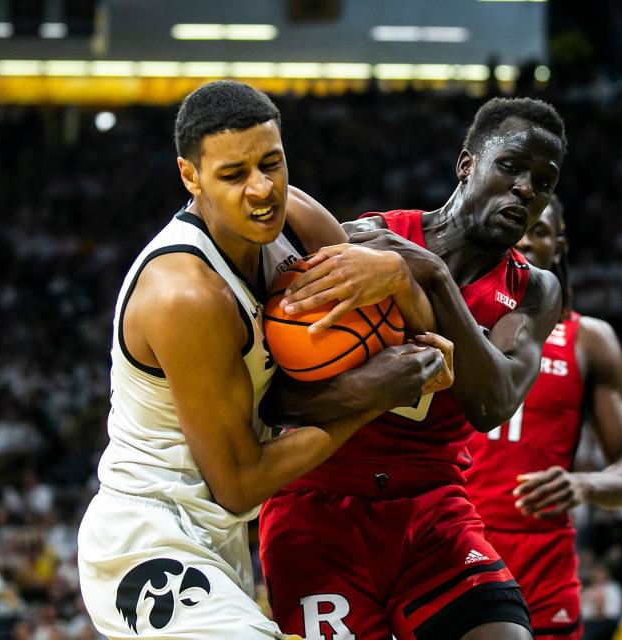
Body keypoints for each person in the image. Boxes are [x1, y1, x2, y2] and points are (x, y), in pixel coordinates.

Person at [76, 80, 453, 640]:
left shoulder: (296, 221)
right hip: (147, 532)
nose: (261, 190)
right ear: (190, 176)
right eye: (232, 175)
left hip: (223, 538)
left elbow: (410, 335)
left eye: (271, 164)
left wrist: (399, 278)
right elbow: (239, 482)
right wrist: (377, 395)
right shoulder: (187, 295)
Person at [258, 97, 566, 640]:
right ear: (467, 165)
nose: (526, 189)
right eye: (511, 167)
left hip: (432, 508)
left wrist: (429, 277)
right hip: (319, 503)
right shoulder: (364, 238)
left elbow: (491, 403)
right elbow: (272, 399)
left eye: (543, 181)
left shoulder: (534, 291)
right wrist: (366, 392)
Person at [464, 196, 622, 639]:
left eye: (540, 230)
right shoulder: (459, 319)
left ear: (558, 245)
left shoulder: (591, 340)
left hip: (542, 559)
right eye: (517, 227)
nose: (525, 239)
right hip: (458, 542)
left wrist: (584, 484)